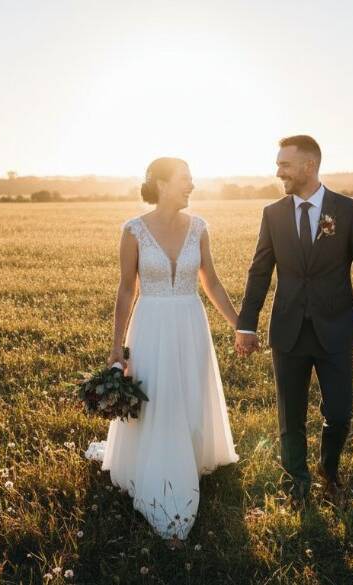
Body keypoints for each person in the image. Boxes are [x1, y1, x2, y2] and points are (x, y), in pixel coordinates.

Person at [86, 157, 240, 540]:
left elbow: (213, 283)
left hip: (190, 322)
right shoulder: (133, 230)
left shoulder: (199, 227)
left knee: (188, 392)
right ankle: (162, 478)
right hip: (151, 324)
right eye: (185, 179)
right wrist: (116, 347)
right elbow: (126, 289)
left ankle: (189, 455)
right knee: (157, 397)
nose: (192, 185)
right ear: (161, 183)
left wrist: (241, 326)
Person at [235, 135, 353, 505]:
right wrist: (246, 324)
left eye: (284, 164)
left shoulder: (348, 210)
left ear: (309, 166)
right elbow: (259, 272)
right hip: (288, 330)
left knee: (340, 413)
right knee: (290, 417)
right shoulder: (273, 214)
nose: (278, 171)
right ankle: (296, 485)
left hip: (335, 330)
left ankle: (329, 473)